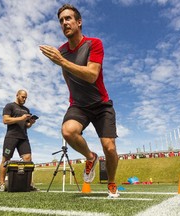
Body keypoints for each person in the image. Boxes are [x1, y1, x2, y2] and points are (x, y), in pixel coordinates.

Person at [39, 4, 119, 198]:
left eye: (68, 18)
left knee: (109, 147)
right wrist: (74, 97)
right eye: (61, 20)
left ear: (79, 22)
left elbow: (92, 75)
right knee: (68, 131)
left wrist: (62, 61)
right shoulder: (62, 51)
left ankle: (111, 182)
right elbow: (67, 76)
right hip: (79, 106)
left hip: (101, 104)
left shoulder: (94, 43)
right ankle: (90, 157)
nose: (64, 23)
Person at [0, 89, 38, 192]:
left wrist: (31, 123)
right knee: (6, 160)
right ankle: (2, 184)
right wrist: (21, 118)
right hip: (11, 137)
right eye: (22, 97)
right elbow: (5, 120)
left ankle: (28, 184)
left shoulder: (26, 109)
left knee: (28, 159)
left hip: (23, 137)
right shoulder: (9, 106)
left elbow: (26, 125)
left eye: (26, 98)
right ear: (17, 95)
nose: (24, 99)